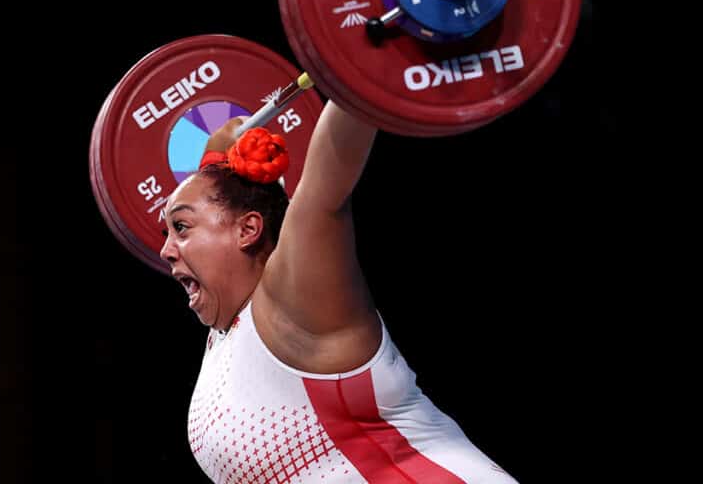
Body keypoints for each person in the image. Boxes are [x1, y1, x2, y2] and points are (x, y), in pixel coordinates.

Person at [160, 101, 517, 484]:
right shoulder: (226, 330)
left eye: (181, 227)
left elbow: (325, 187)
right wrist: (216, 158)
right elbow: (224, 198)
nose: (165, 250)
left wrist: (360, 71)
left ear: (248, 230)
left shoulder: (293, 305)